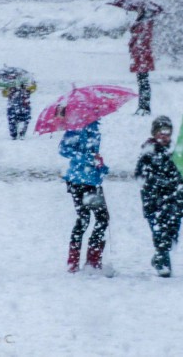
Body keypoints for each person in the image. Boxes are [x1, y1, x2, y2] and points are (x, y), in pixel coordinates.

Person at [134, 115, 183, 277]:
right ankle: (163, 262)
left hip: (174, 200)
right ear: (155, 133)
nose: (164, 136)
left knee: (173, 234)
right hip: (155, 201)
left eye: (167, 132)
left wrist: (182, 179)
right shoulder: (148, 151)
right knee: (160, 233)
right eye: (161, 132)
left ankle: (161, 255)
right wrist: (159, 182)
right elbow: (140, 175)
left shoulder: (175, 151)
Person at [59, 116, 111, 274]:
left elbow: (93, 155)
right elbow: (64, 150)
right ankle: (75, 262)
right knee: (85, 219)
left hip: (92, 181)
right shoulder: (75, 127)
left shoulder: (95, 129)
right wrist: (89, 159)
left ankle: (92, 260)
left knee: (101, 219)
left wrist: (101, 167)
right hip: (78, 181)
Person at [128, 3, 163, 116]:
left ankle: (144, 108)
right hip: (140, 56)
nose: (137, 11)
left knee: (143, 83)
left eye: (139, 9)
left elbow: (143, 39)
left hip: (142, 56)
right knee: (142, 82)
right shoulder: (142, 21)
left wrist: (135, 41)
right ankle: (142, 107)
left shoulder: (146, 22)